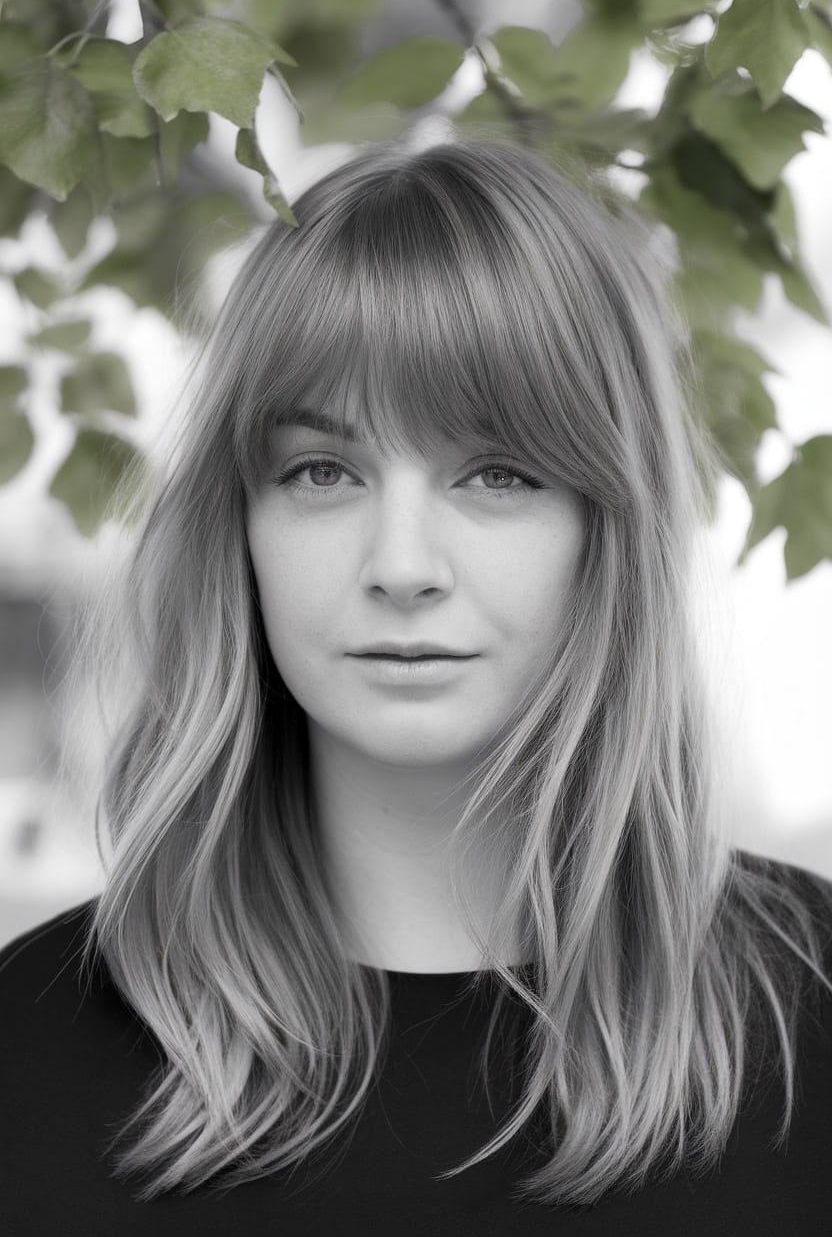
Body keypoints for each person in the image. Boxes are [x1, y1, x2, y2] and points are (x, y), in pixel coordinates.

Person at [1, 130, 831, 1235]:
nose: (401, 567)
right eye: (321, 472)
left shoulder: (809, 1013)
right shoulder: (27, 1050)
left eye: (497, 473)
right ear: (237, 525)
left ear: (608, 529)